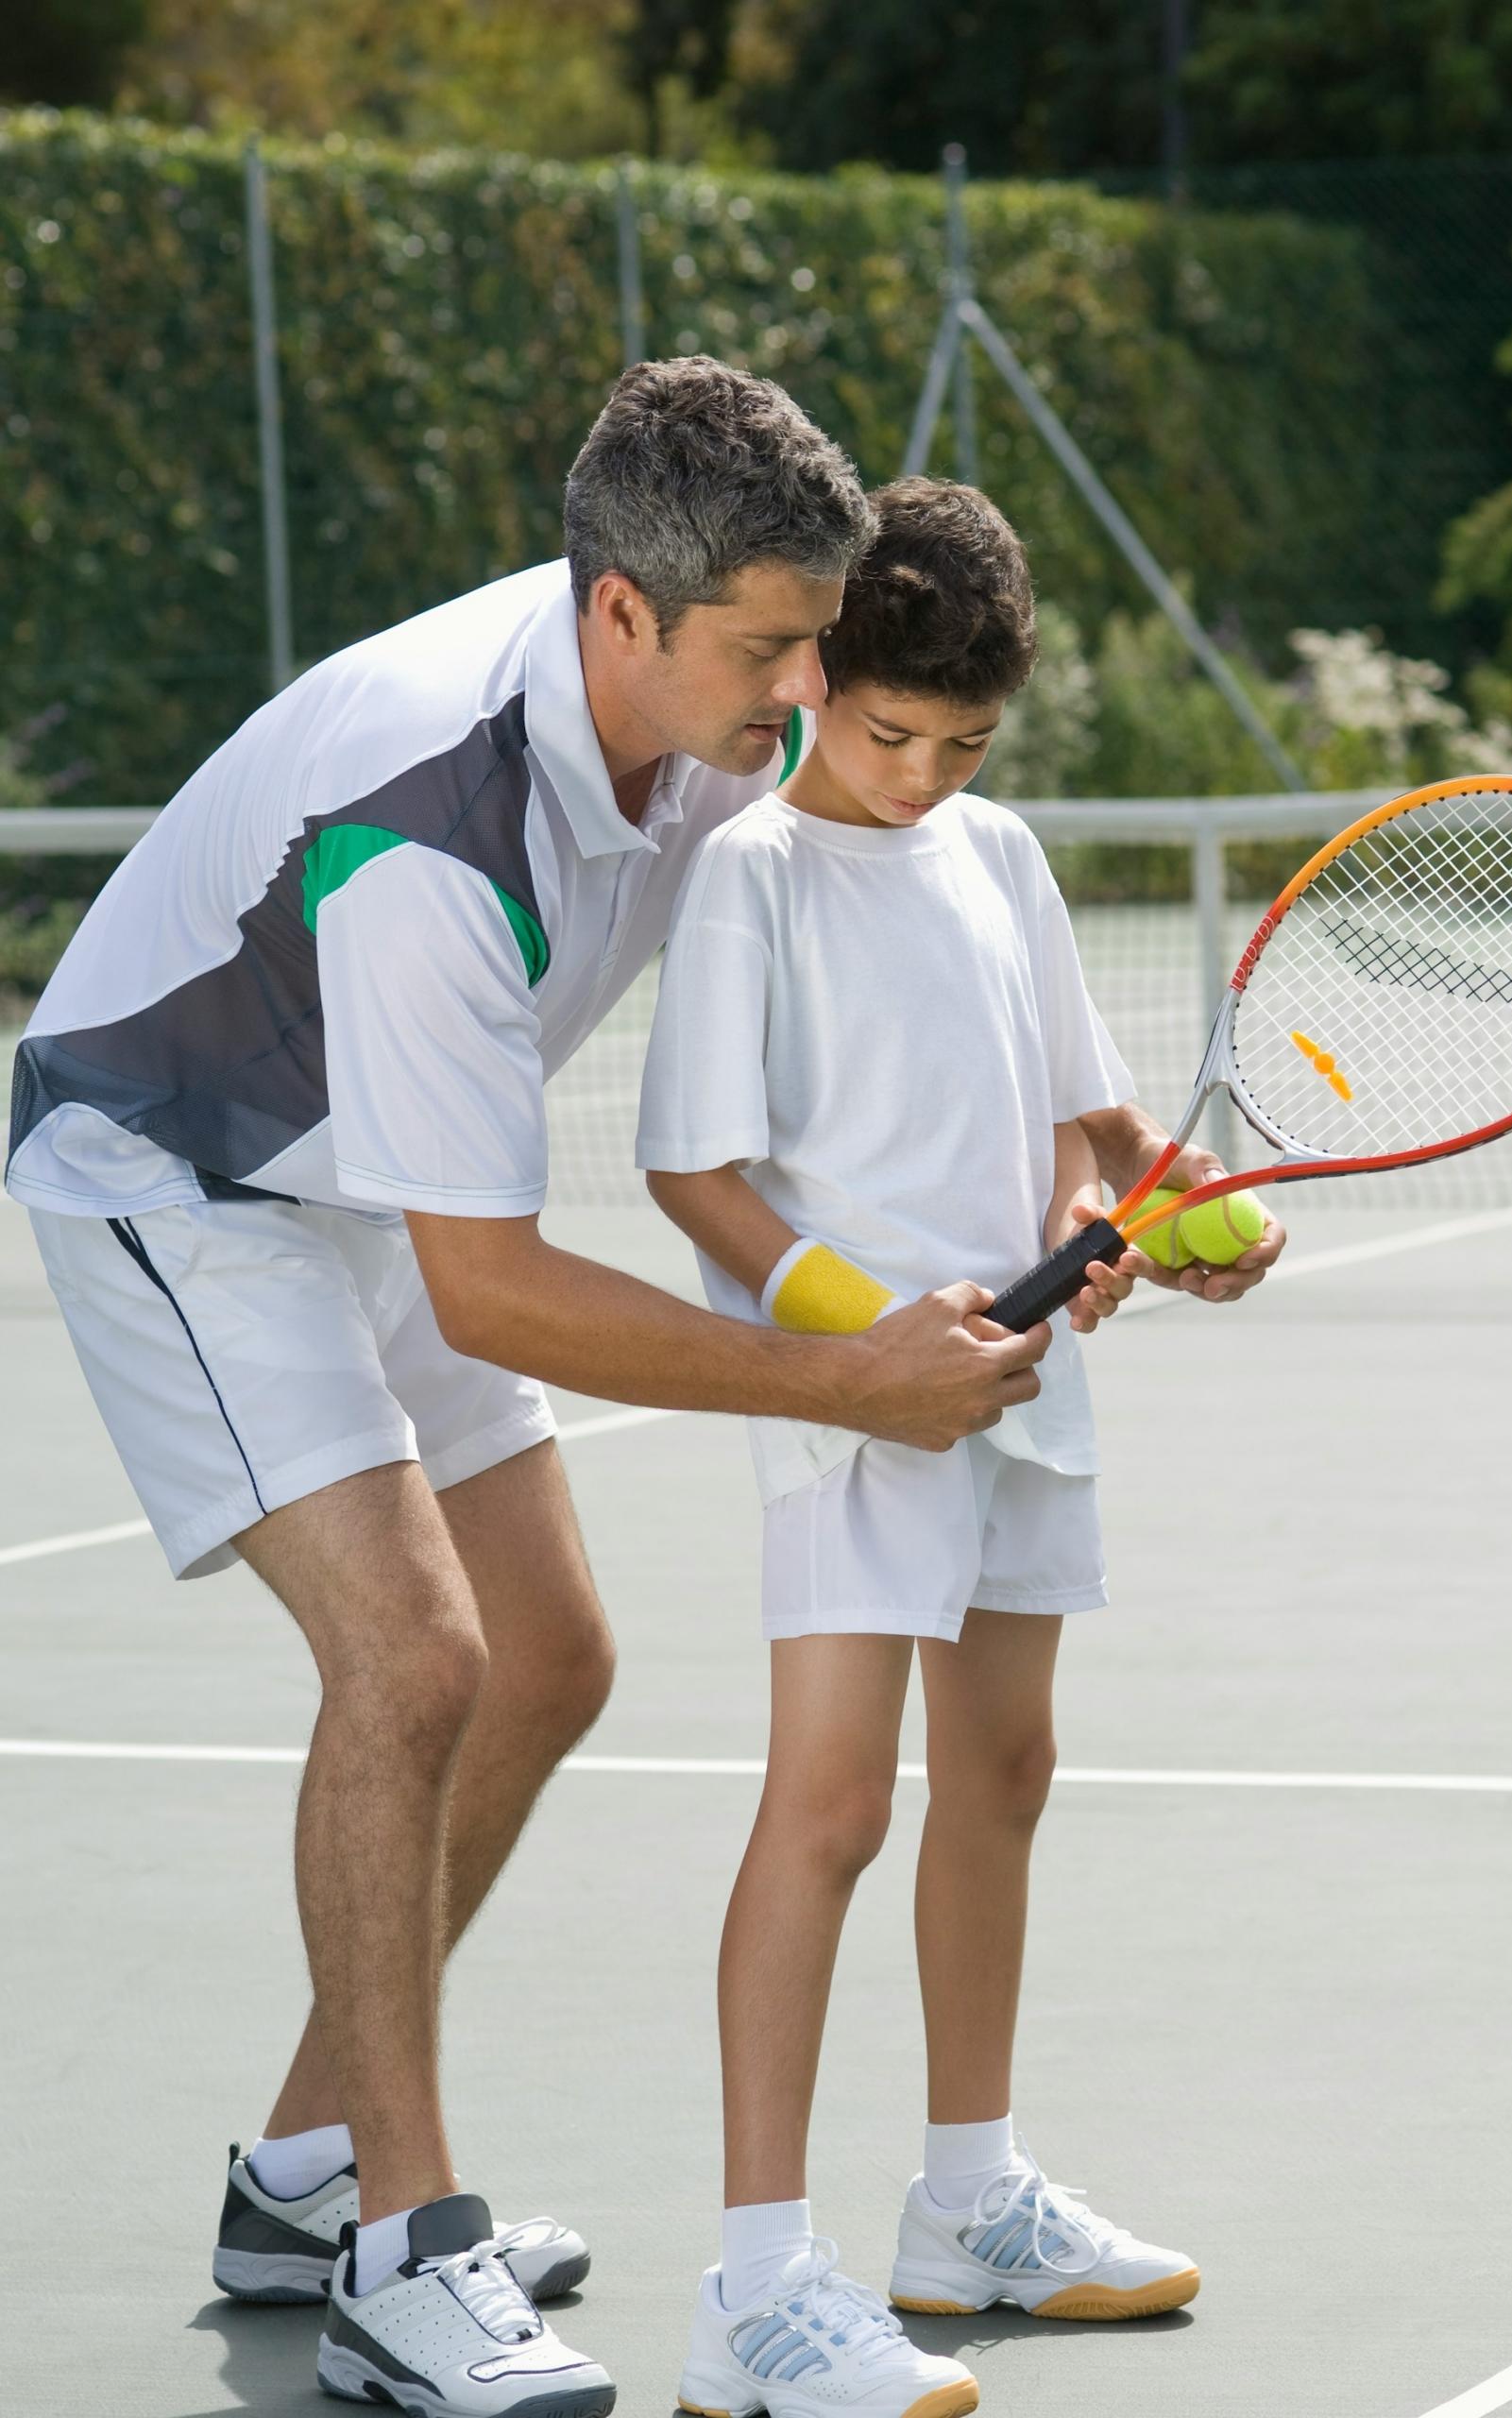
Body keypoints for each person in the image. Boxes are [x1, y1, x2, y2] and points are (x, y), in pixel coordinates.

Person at [5, 364, 1079, 2418]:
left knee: (555, 1656)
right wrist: (846, 1372)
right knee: (414, 1656)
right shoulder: (434, 824)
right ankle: (406, 2251)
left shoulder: (696, 705)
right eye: (770, 649)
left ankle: (301, 2168)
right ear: (619, 613)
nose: (801, 687)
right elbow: (490, 1288)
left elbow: (874, 889)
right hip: (186, 1163)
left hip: (368, 1163)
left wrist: (1064, 1171)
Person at [637, 479, 1261, 2418]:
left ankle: (968, 2199)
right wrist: (858, 1340)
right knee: (829, 1805)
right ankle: (755, 2281)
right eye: (886, 731)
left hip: (1021, 1397)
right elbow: (692, 1171)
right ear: (816, 676)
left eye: (961, 744)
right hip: (854, 1410)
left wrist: (1180, 1212)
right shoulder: (746, 873)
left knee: (1005, 1761)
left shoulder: (996, 852)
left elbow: (1097, 1118)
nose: (918, 774)